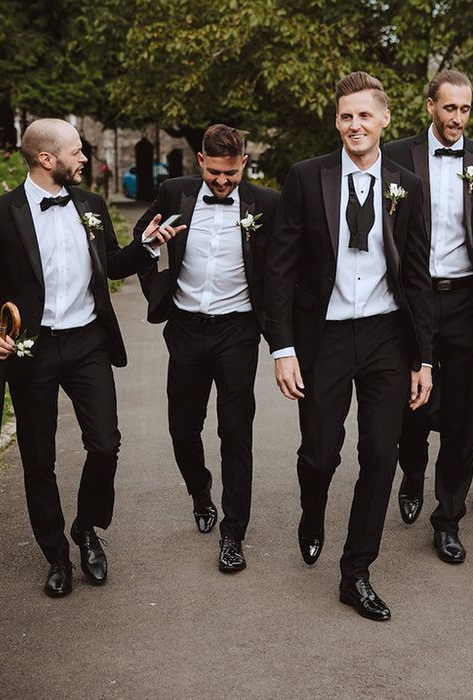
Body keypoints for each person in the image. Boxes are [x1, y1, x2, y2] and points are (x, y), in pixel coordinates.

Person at [0, 118, 182, 597]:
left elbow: (112, 265)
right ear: (47, 159)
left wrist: (147, 246)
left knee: (105, 443)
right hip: (29, 348)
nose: (84, 159)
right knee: (38, 458)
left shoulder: (91, 205)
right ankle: (55, 554)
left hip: (87, 342)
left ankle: (86, 528)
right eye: (77, 152)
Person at [265, 72, 433, 620]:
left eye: (364, 115)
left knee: (381, 455)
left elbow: (418, 276)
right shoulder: (306, 178)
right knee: (319, 452)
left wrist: (422, 357)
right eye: (345, 116)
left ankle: (355, 571)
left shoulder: (407, 183)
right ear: (336, 121)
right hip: (326, 336)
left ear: (385, 119)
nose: (354, 125)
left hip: (386, 335)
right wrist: (282, 348)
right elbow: (280, 270)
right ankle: (312, 512)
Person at [134, 124, 279, 573]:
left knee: (236, 433)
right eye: (215, 172)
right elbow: (142, 240)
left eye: (231, 174)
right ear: (200, 161)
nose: (222, 181)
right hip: (186, 329)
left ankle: (233, 532)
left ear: (244, 165)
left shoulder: (267, 204)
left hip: (237, 331)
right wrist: (154, 258)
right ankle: (200, 490)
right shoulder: (174, 192)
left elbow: (283, 265)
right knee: (183, 428)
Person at [381, 70, 473, 564]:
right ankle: (412, 468)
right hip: (412, 298)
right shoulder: (394, 156)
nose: (458, 118)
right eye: (449, 108)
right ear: (430, 105)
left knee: (464, 413)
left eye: (465, 110)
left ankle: (448, 518)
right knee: (409, 402)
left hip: (468, 302)